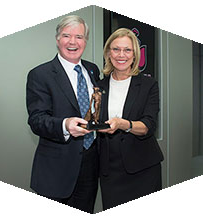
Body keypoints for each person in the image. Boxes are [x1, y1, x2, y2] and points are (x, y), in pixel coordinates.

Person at [26, 15, 100, 213]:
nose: (73, 42)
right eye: (67, 35)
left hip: (90, 164)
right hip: (55, 170)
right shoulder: (40, 74)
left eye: (79, 36)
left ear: (85, 41)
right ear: (57, 39)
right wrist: (65, 125)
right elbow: (36, 120)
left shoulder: (93, 70)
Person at [98, 28, 164, 210]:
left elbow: (148, 126)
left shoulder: (149, 85)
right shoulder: (98, 85)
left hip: (143, 168)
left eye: (127, 50)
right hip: (109, 170)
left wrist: (123, 124)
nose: (121, 55)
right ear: (108, 53)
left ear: (135, 55)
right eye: (116, 49)